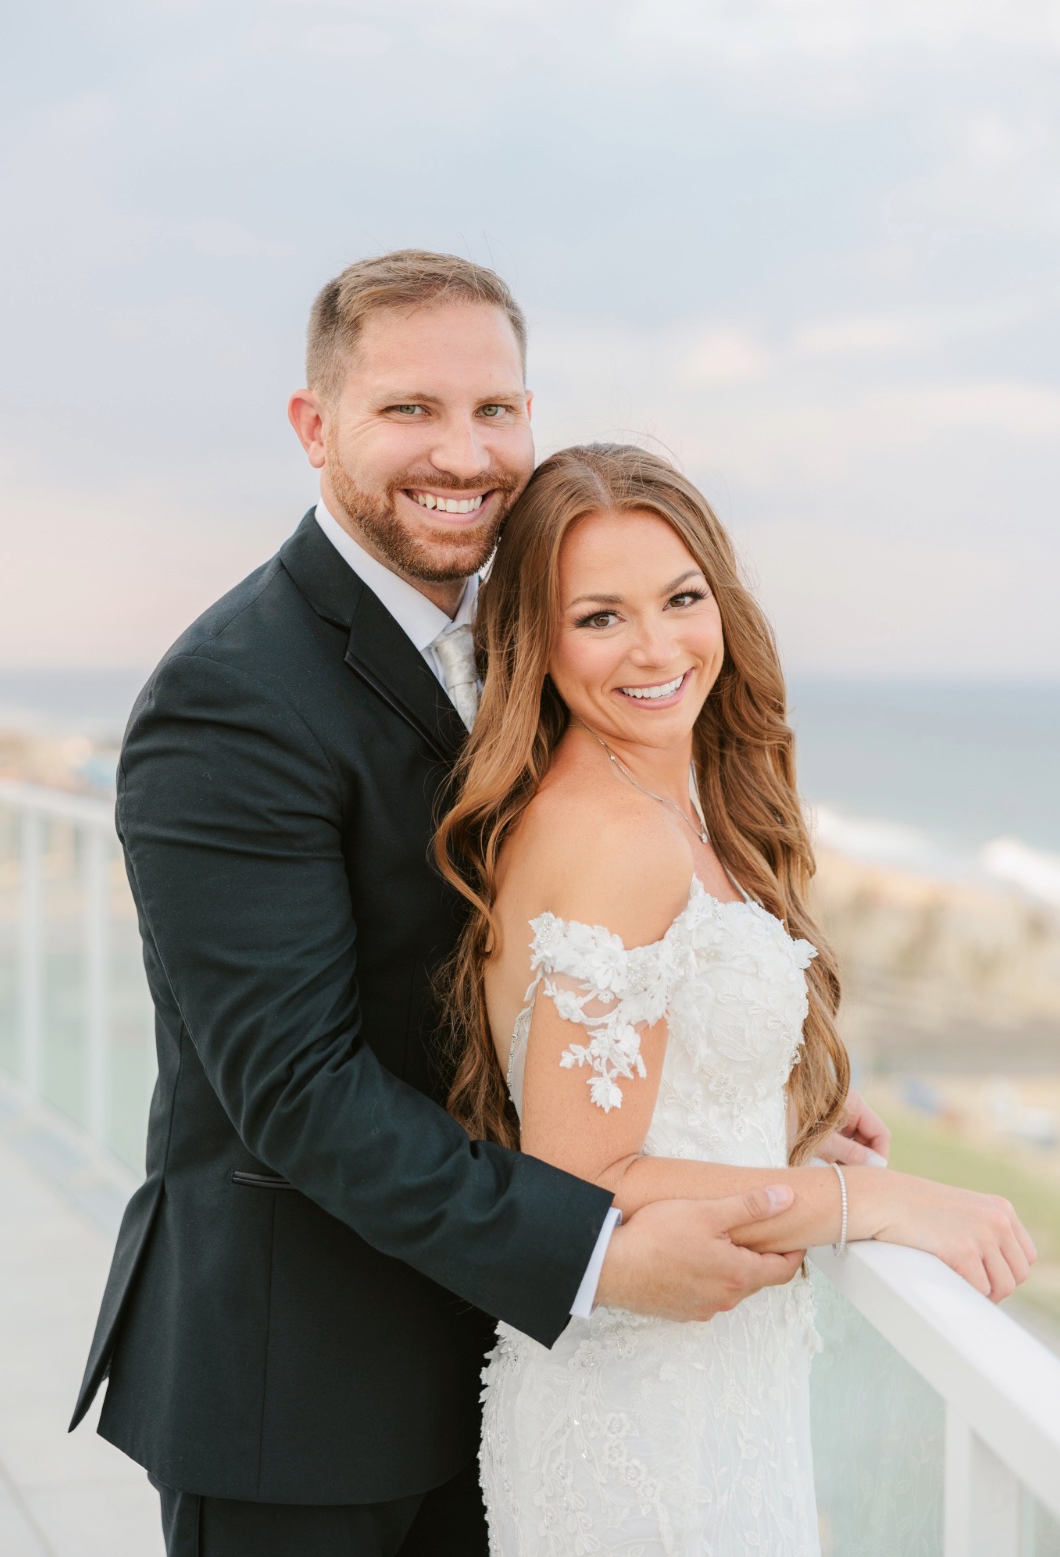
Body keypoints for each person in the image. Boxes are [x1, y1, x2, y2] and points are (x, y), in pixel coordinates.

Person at [69, 251, 880, 1557]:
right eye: (411, 411)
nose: (464, 452)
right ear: (314, 426)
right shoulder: (229, 696)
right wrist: (596, 1256)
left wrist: (747, 1103)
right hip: (308, 1393)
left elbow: (561, 958)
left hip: (510, 1377)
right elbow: (297, 1089)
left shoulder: (534, 628)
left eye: (496, 409)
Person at [435, 442, 1037, 1556]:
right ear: (535, 639)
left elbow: (659, 1095)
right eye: (600, 617)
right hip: (634, 1421)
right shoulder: (609, 837)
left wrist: (786, 1126)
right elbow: (584, 1178)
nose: (657, 647)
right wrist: (876, 1207)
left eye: (680, 597)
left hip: (716, 1385)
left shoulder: (666, 800)